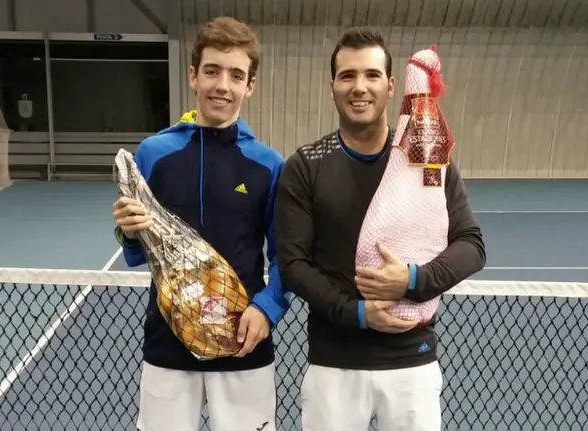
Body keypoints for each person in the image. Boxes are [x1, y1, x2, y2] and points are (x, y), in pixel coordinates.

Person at [274, 28, 486, 431]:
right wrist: (356, 312)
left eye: (372, 75)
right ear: (332, 85)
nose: (360, 87)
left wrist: (411, 279)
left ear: (391, 87)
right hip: (333, 364)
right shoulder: (305, 165)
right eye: (347, 76)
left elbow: (471, 245)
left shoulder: (427, 158)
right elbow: (293, 265)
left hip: (412, 361)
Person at [112, 16, 290, 431]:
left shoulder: (269, 165)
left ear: (250, 85)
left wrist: (266, 310)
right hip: (167, 345)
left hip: (244, 345)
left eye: (235, 75)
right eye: (212, 71)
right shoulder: (154, 153)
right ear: (194, 76)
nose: (222, 86)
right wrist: (128, 229)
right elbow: (136, 253)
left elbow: (288, 256)